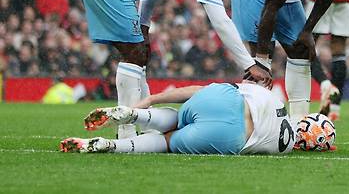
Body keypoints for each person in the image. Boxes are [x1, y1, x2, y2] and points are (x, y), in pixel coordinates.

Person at [76, 0, 272, 139]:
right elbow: (221, 21)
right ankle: (126, 132)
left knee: (140, 54)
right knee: (134, 54)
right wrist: (249, 65)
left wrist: (144, 24)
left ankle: (145, 124)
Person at [59, 81, 295, 155]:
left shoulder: (274, 99)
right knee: (166, 142)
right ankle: (110, 145)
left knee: (178, 118)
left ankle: (136, 114)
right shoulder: (285, 147)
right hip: (234, 136)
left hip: (226, 98)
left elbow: (200, 89)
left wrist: (154, 98)